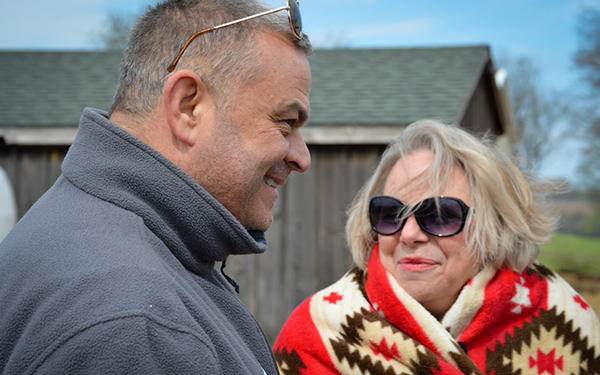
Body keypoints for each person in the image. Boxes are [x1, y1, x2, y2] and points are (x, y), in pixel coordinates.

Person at [0, 1, 312, 374]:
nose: (301, 157)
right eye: (286, 122)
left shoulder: (83, 225)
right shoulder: (136, 325)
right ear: (187, 107)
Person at [274, 120, 600, 374]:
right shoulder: (316, 336)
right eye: (391, 213)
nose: (410, 234)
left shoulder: (567, 320)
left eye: (441, 215)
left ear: (496, 227)